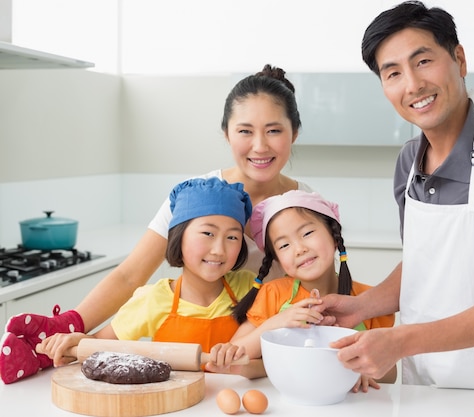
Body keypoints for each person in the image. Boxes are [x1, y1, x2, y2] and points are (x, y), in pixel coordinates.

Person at [0, 64, 311, 384]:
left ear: (295, 132)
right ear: (226, 133)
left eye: (274, 130)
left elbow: (318, 289)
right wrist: (73, 326)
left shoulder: (307, 206)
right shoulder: (196, 196)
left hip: (272, 360)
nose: (260, 146)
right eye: (245, 131)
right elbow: (130, 274)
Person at [318, 1, 474, 391]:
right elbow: (427, 265)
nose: (412, 85)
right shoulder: (409, 162)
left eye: (423, 61)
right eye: (393, 73)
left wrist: (399, 341)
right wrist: (363, 307)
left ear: (459, 59)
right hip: (423, 389)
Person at [38, 177, 266, 378]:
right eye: (208, 233)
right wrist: (77, 343)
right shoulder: (152, 299)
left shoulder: (250, 288)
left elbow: (267, 359)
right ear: (179, 237)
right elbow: (100, 345)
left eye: (232, 237)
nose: (219, 249)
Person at [229, 190, 397, 392]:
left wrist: (365, 368)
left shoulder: (369, 299)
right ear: (278, 261)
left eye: (307, 233)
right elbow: (235, 354)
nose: (299, 249)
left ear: (335, 237)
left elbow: (391, 374)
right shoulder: (272, 295)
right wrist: (277, 322)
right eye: (284, 245)